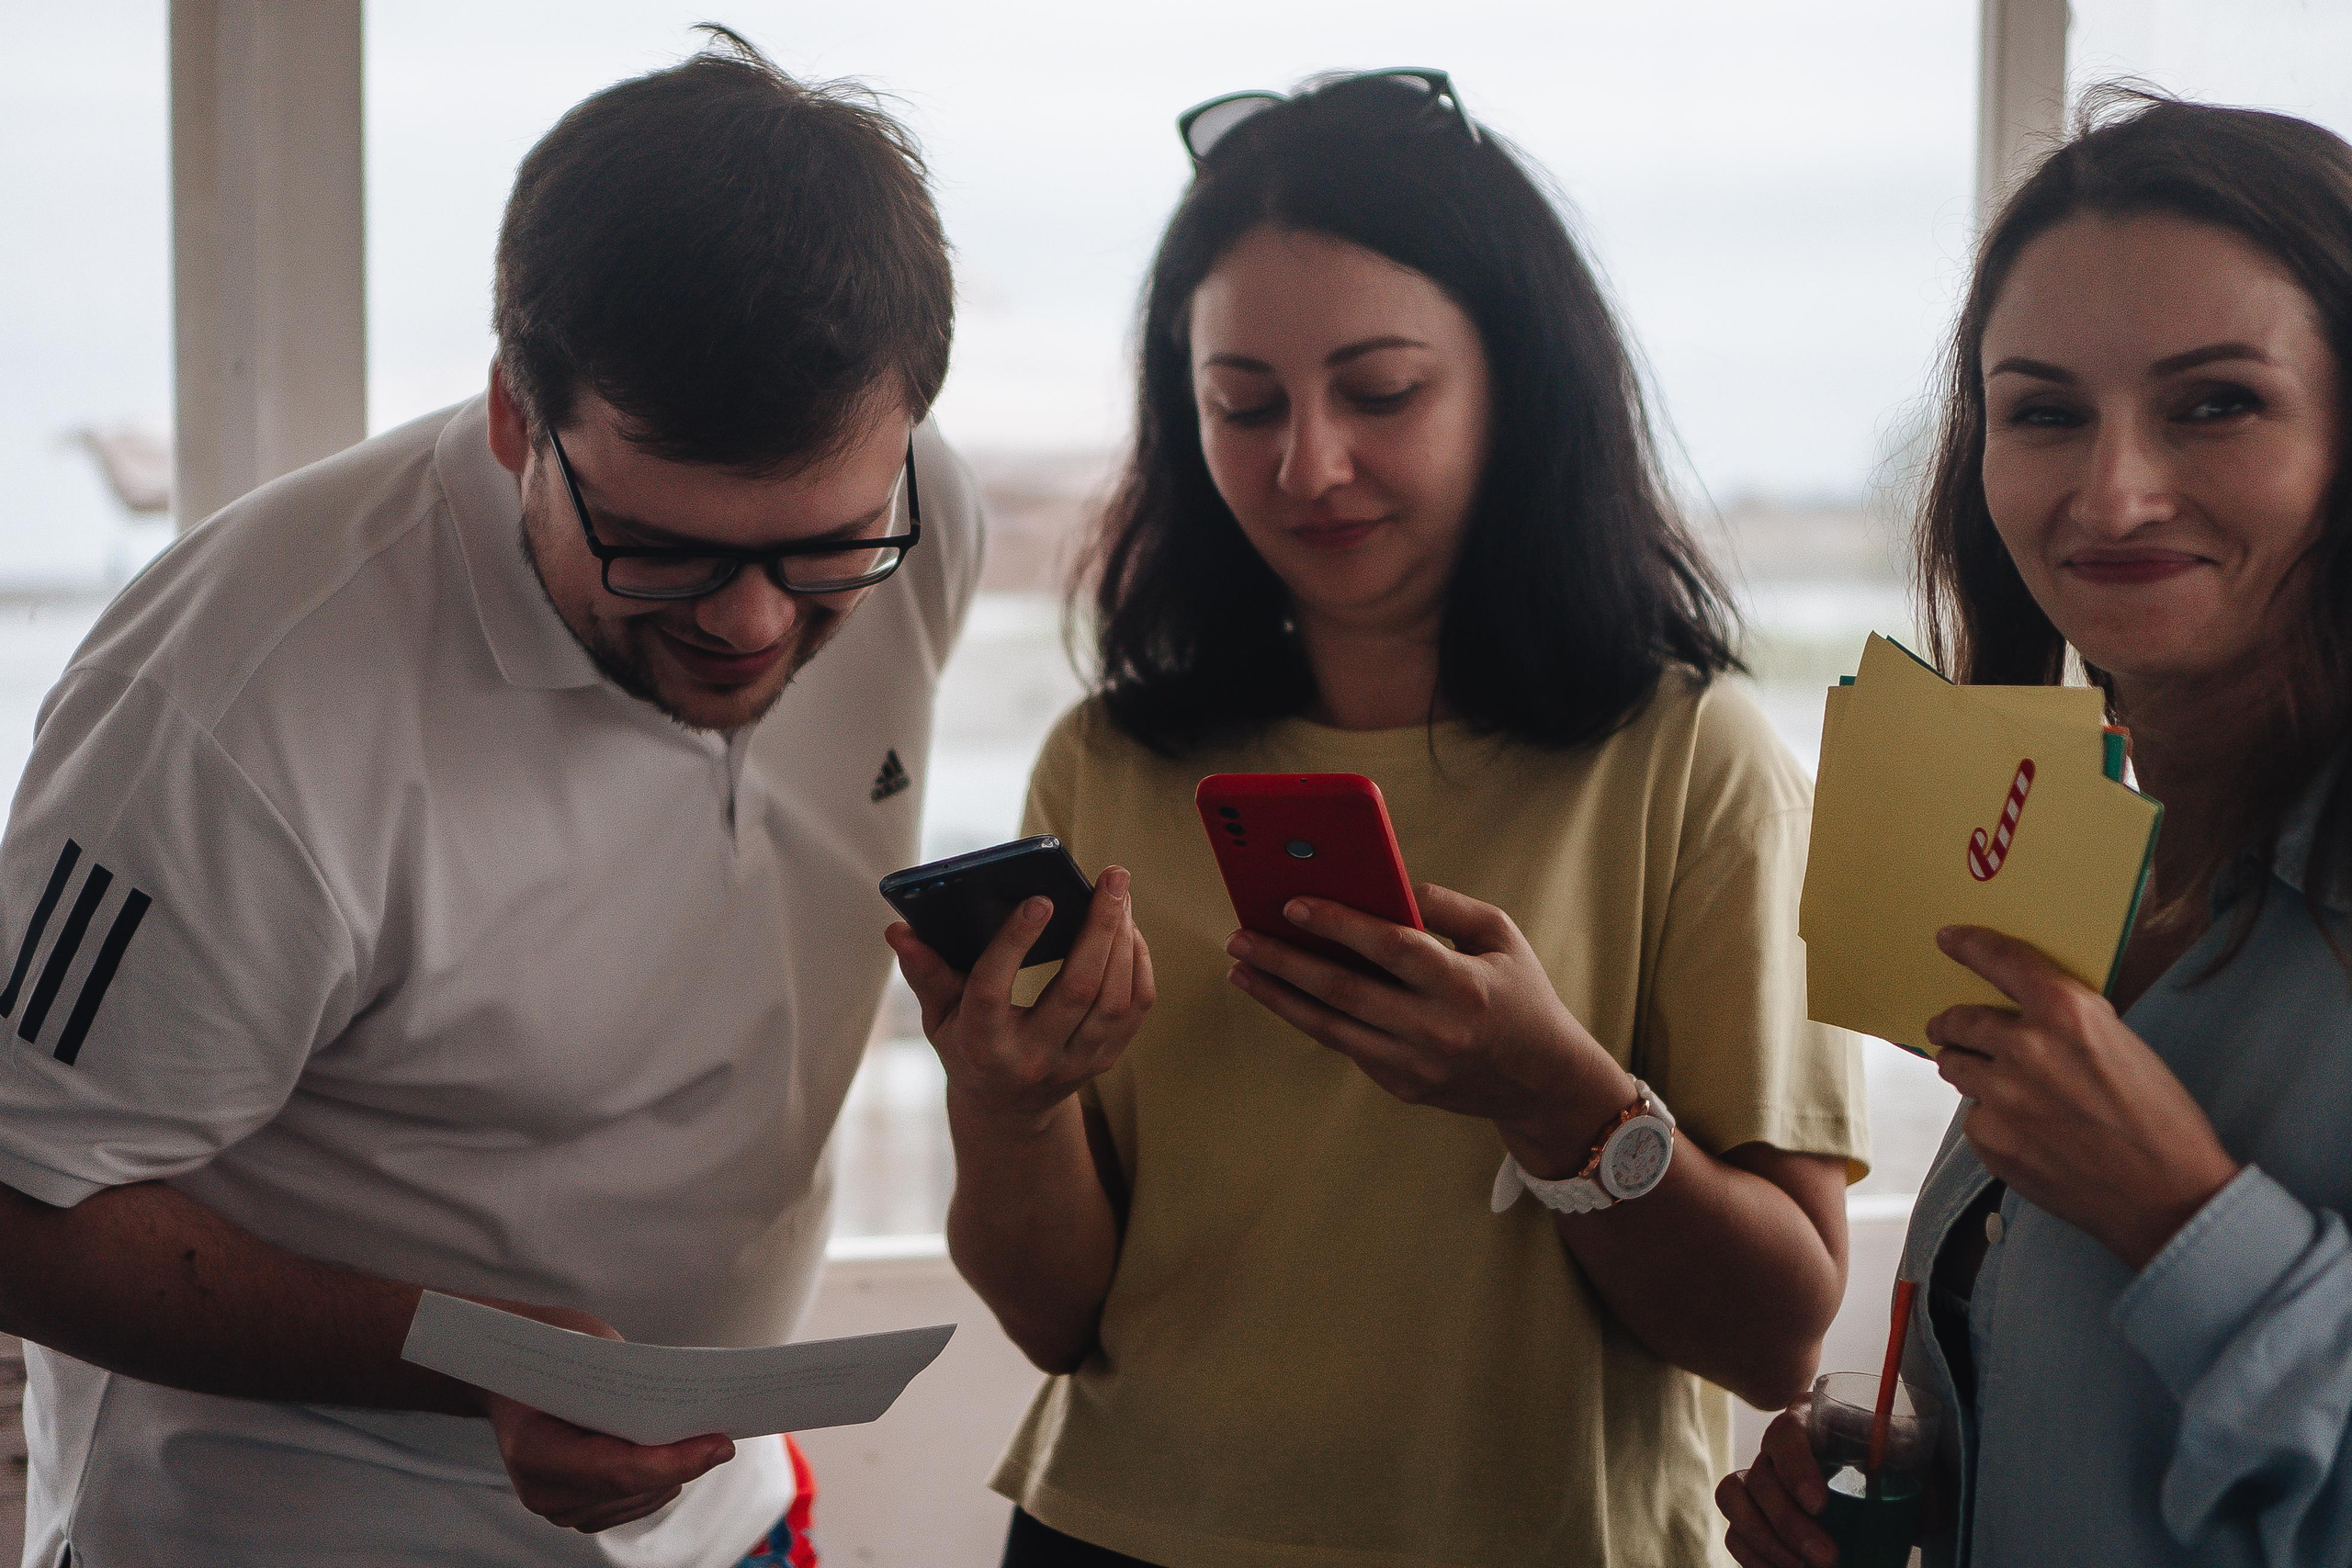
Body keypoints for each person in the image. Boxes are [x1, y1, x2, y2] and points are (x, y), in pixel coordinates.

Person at [0, 29, 979, 1566]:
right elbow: (16, 1200)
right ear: (516, 413)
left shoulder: (926, 523)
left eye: (822, 552)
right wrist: (477, 1354)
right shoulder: (235, 710)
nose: (754, 624)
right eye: (664, 549)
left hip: (722, 1518)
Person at [888, 72, 1868, 1568]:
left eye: (1382, 392)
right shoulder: (1106, 762)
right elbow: (1055, 1319)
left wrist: (1556, 1098)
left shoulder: (1693, 761)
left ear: (1517, 386)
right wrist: (1004, 1106)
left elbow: (1778, 1336)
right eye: (1243, 406)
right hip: (1118, 1534)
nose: (1308, 466)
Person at [1719, 92, 2352, 1568]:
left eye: (2215, 402)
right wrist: (1956, 1474)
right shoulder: (2089, 880)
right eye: (2046, 412)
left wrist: (2182, 1217)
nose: (2113, 490)